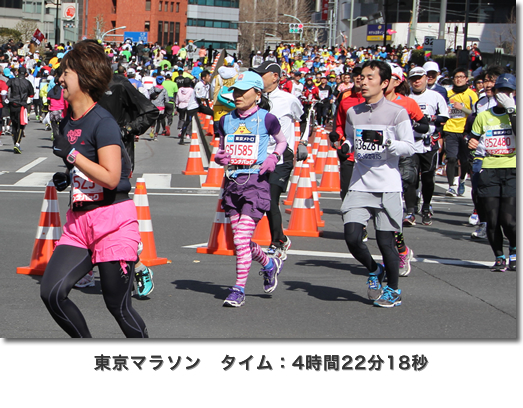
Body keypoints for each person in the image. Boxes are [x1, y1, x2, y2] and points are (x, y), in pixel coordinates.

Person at [40, 40, 148, 338]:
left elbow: (112, 178)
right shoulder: (66, 122)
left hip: (112, 222)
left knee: (118, 306)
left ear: (84, 77)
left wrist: (72, 156)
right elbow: (82, 166)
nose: (60, 78)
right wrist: (68, 175)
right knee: (51, 293)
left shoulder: (104, 122)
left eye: (66, 73)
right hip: (79, 223)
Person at [341, 60, 415, 308]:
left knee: (386, 243)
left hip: (388, 186)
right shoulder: (353, 112)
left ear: (385, 83)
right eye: (361, 77)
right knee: (352, 237)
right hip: (360, 183)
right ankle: (374, 270)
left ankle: (394, 290)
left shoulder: (397, 112)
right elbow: (351, 139)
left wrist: (388, 143)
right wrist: (345, 146)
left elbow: (409, 146)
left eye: (370, 77)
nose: (363, 81)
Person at [213, 71, 287, 307]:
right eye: (235, 91)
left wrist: (274, 157)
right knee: (240, 240)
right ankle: (268, 263)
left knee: (242, 237)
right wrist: (220, 158)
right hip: (233, 182)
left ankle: (238, 289)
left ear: (257, 94)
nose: (237, 95)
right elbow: (222, 148)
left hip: (256, 181)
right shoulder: (225, 120)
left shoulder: (267, 118)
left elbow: (282, 141)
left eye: (243, 91)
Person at [250, 61, 303, 260]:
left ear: (274, 76)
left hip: (281, 156)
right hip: (259, 156)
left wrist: (302, 142)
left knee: (272, 198)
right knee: (261, 199)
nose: (259, 77)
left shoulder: (289, 99)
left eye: (262, 74)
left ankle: (278, 242)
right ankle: (280, 237)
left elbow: (303, 118)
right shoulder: (253, 98)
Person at [468, 73, 516, 272]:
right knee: (493, 219)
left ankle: (514, 251)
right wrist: (471, 143)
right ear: (494, 92)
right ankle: (499, 256)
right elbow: (472, 138)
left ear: (513, 93)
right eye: (500, 91)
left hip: (512, 169)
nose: (502, 95)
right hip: (489, 169)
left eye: (507, 91)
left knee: (510, 220)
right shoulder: (484, 115)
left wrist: (512, 110)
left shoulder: (516, 112)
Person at [408, 66, 449, 226]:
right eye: (413, 79)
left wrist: (427, 118)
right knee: (410, 178)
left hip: (428, 142)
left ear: (426, 79)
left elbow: (444, 117)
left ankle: (426, 207)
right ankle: (410, 211)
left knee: (428, 178)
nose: (417, 81)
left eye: (420, 78)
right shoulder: (406, 97)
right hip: (410, 142)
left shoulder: (435, 96)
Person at [442, 67, 478, 197]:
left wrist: (462, 108)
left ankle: (462, 180)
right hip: (450, 129)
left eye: (461, 77)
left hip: (465, 130)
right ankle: (451, 186)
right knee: (451, 158)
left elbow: (476, 114)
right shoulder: (448, 93)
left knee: (465, 160)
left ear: (466, 79)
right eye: (456, 77)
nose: (458, 79)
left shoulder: (471, 94)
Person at [6, 66, 34, 153]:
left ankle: (15, 142)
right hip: (21, 105)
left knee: (14, 124)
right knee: (21, 125)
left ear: (17, 72)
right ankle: (17, 143)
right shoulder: (27, 83)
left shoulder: (12, 80)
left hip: (12, 104)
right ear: (26, 74)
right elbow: (31, 94)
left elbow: (5, 87)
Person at [148, 75, 169, 140]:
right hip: (161, 107)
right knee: (159, 121)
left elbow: (149, 96)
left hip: (153, 107)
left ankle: (152, 128)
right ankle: (156, 135)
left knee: (153, 120)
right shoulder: (164, 90)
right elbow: (167, 99)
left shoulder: (152, 88)